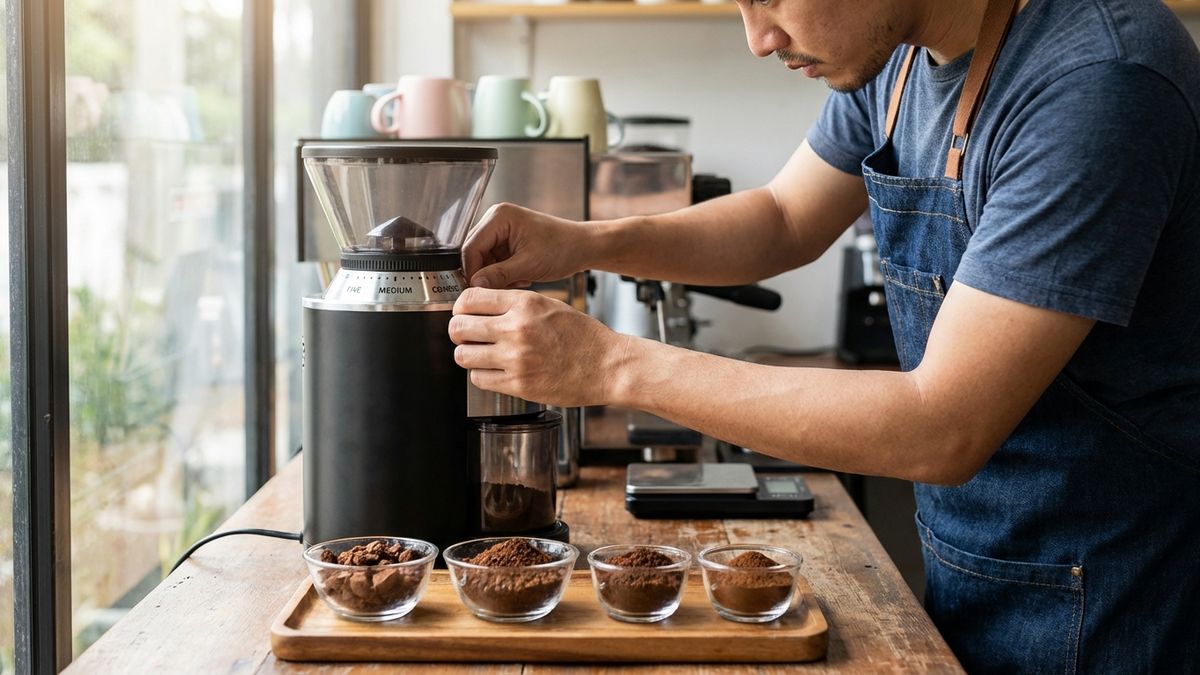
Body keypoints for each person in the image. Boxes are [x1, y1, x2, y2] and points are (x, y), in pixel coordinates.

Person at [448, 0, 1200, 671]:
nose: (759, 39)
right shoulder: (897, 54)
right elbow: (782, 218)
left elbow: (943, 426)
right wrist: (581, 241)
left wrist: (612, 364)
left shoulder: (1098, 79)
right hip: (983, 562)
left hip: (1113, 595)